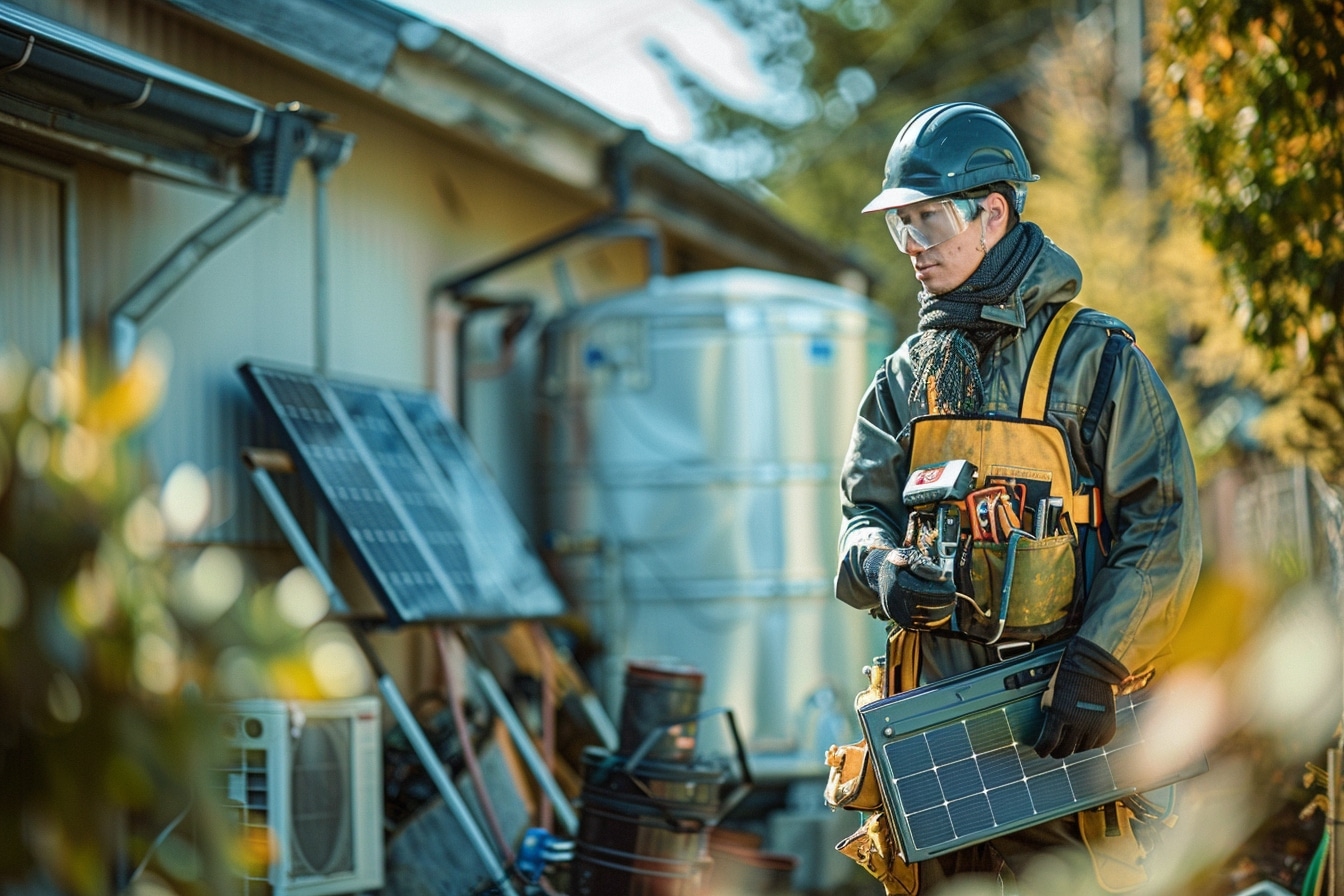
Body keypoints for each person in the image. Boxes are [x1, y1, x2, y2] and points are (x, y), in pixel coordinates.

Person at [833, 102, 1202, 892]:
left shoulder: (1097, 360)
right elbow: (861, 516)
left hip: (1064, 721)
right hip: (933, 731)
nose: (910, 249)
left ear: (991, 214)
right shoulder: (905, 375)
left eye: (925, 221)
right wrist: (884, 564)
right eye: (899, 227)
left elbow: (1163, 523)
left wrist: (1100, 663)